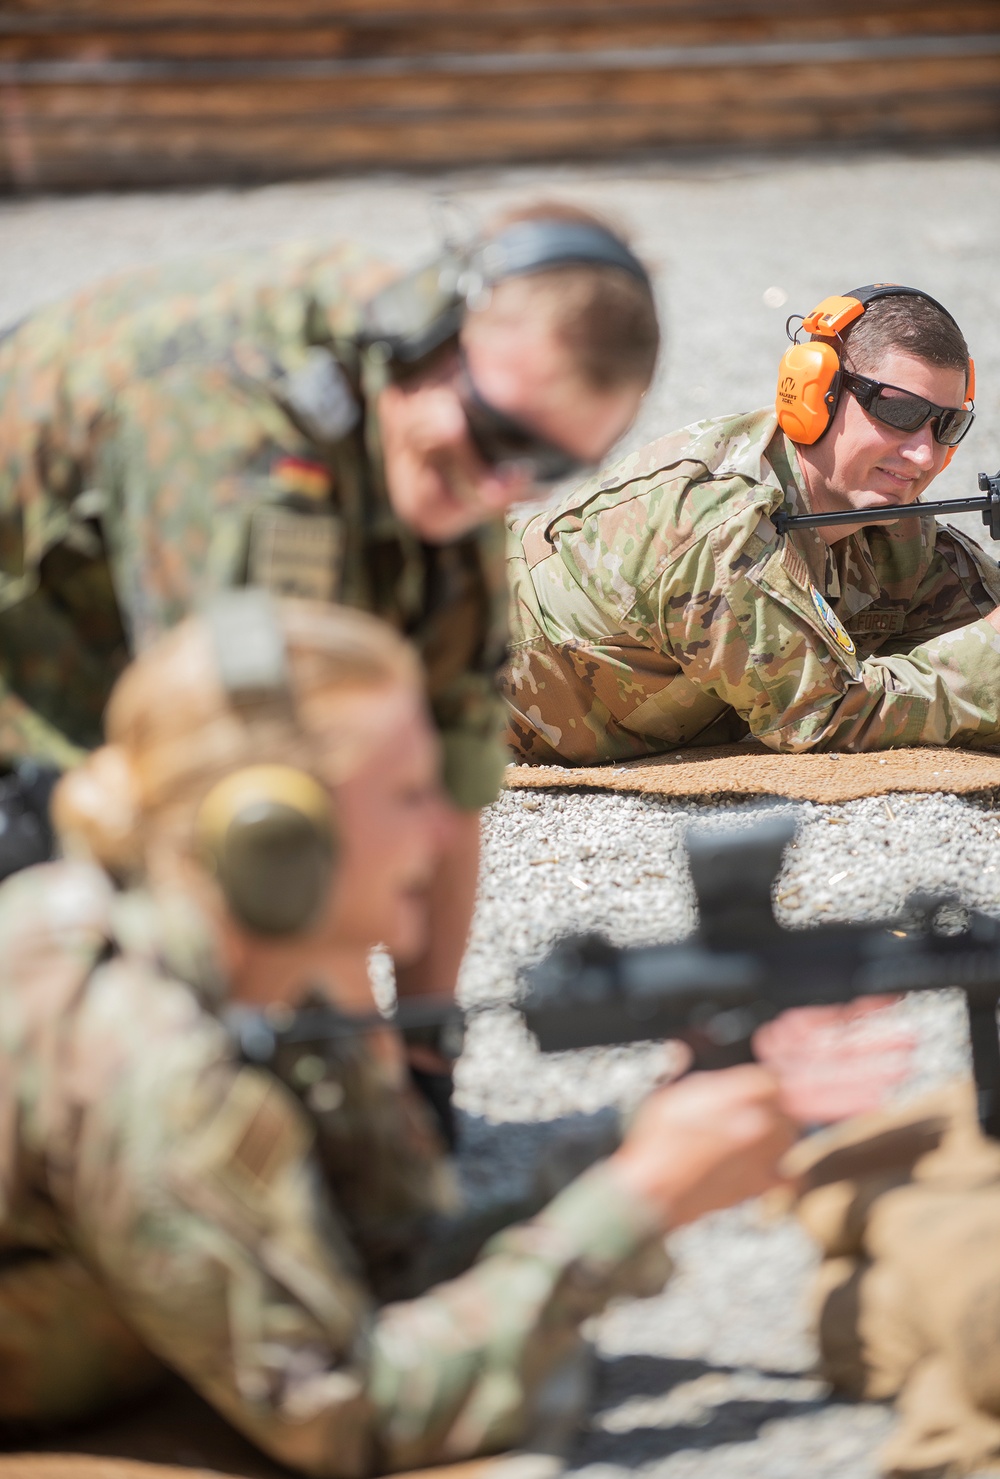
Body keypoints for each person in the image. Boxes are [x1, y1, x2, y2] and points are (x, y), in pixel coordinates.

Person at [0, 589, 794, 1474]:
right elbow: (347, 1415)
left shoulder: (260, 979)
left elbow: (391, 1247)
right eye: (409, 794)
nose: (442, 829)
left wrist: (644, 1138)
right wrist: (640, 1199)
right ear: (278, 843)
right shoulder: (154, 1062)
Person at [0, 202, 660, 1007]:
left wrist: (425, 1051)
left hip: (89, 642)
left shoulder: (452, 448)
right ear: (429, 332)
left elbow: (450, 780)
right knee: (121, 990)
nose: (503, 488)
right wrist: (354, 1090)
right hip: (26, 702)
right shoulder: (235, 433)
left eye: (551, 464)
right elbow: (258, 808)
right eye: (498, 437)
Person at [501, 283, 1000, 766]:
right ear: (816, 392)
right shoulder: (718, 522)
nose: (923, 453)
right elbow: (817, 716)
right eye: (898, 411)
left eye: (946, 425)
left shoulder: (892, 523)